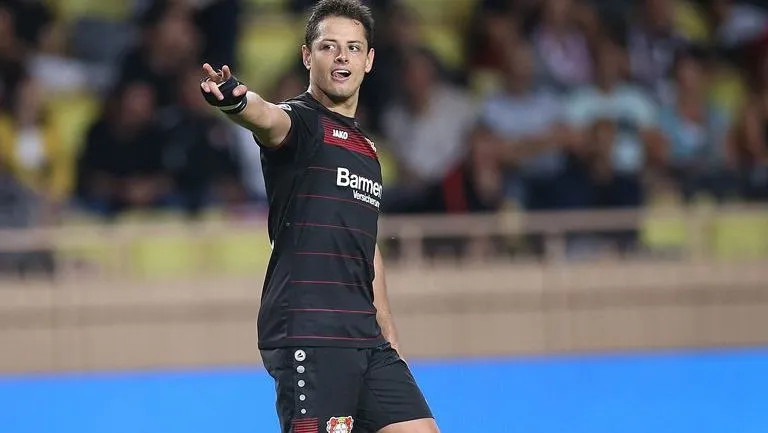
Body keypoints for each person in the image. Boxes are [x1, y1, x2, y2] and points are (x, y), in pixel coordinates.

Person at [199, 1, 439, 432]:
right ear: (308, 56)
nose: (342, 56)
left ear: (369, 60)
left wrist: (388, 334)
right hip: (311, 331)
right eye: (329, 46)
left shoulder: (367, 150)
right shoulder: (302, 122)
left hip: (366, 339)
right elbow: (267, 116)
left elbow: (366, 245)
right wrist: (236, 100)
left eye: (353, 47)